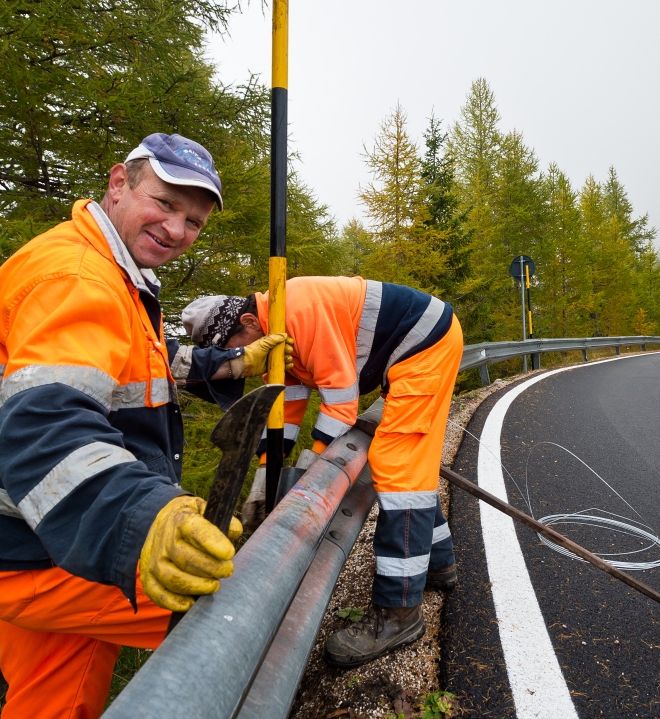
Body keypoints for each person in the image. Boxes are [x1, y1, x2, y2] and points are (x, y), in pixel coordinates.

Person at [0, 133, 285, 719]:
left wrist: (231, 364)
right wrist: (143, 521)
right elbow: (49, 425)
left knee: (48, 714)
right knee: (239, 606)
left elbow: (137, 363)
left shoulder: (114, 268)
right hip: (43, 553)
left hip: (29, 538)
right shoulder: (75, 277)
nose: (177, 228)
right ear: (118, 184)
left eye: (193, 220)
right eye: (164, 204)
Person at [182, 277, 462, 667]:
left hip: (423, 346)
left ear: (248, 322)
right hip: (403, 351)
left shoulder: (300, 309)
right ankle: (440, 561)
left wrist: (313, 470)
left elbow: (342, 400)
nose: (235, 365)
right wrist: (268, 472)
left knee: (400, 468)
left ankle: (399, 611)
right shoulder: (275, 333)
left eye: (230, 352)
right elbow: (288, 404)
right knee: (405, 466)